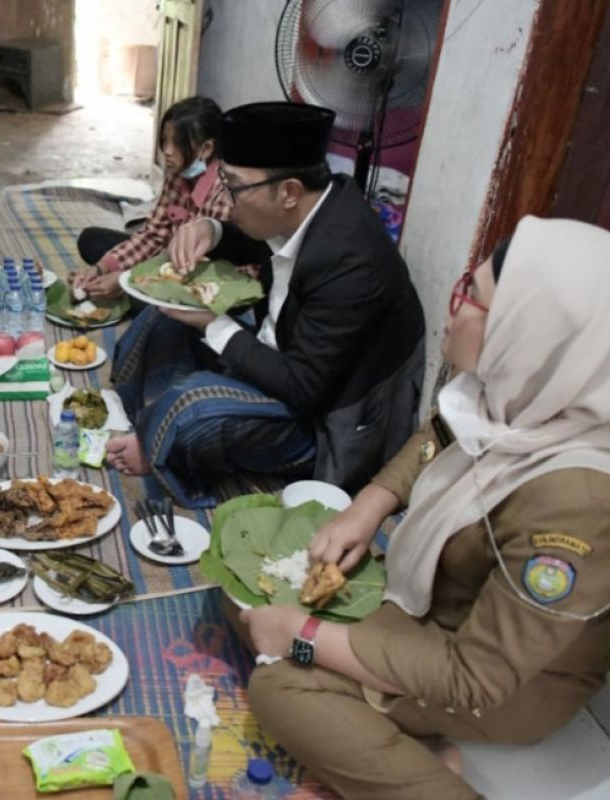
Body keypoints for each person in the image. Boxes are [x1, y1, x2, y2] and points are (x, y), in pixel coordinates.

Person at [238, 216, 610, 799]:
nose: (455, 305)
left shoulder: (576, 504)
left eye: (474, 298)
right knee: (252, 600)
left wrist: (304, 636)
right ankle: (416, 751)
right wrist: (370, 505)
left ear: (528, 333)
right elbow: (441, 433)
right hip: (431, 613)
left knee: (279, 685)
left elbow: (474, 675)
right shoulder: (520, 399)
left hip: (506, 682)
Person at [108, 101, 425, 507]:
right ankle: (150, 427)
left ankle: (158, 438)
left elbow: (302, 387)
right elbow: (258, 234)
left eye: (235, 187)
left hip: (329, 418)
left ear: (289, 191)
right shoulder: (313, 205)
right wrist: (212, 228)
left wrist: (212, 324)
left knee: (193, 411)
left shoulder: (352, 261)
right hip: (282, 353)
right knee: (162, 315)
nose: (226, 197)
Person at [72, 96, 230, 300]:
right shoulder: (178, 173)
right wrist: (100, 269)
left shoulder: (224, 191)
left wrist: (128, 279)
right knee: (91, 240)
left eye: (177, 143)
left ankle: (136, 295)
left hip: (203, 277)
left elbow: (200, 269)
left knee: (161, 311)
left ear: (206, 149)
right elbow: (153, 235)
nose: (167, 151)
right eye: (165, 140)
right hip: (167, 257)